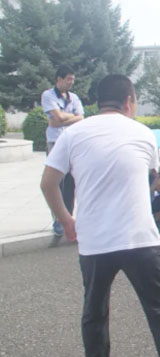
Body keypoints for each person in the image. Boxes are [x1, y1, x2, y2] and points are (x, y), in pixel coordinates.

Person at [39, 74, 160, 357]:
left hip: (94, 241)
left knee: (94, 309)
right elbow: (148, 174)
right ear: (129, 102)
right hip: (140, 240)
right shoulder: (143, 134)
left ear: (98, 102)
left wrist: (67, 221)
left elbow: (48, 183)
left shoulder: (73, 134)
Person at [41, 65, 84, 237]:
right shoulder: (48, 95)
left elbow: (80, 118)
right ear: (59, 79)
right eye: (68, 79)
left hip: (72, 143)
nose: (71, 83)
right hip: (55, 143)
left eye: (73, 79)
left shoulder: (74, 97)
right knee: (56, 182)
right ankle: (58, 220)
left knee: (70, 183)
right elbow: (57, 117)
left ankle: (69, 217)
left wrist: (60, 119)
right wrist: (69, 117)